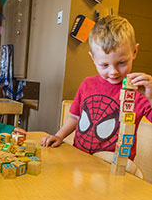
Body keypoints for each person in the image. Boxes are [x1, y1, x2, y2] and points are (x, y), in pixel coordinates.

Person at [41, 15, 152, 160]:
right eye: (105, 65)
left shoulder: (141, 91)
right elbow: (75, 116)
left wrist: (150, 97)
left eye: (122, 62)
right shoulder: (87, 84)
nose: (113, 71)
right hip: (80, 159)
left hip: (114, 165)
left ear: (134, 52)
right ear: (93, 58)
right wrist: (59, 135)